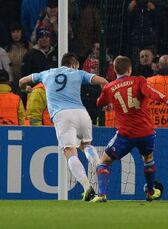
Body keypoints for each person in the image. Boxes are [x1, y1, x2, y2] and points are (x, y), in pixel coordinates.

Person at [19, 53, 107, 201]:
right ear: (74, 65)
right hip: (82, 113)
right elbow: (103, 81)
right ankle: (101, 171)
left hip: (63, 115)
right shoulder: (79, 73)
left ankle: (87, 188)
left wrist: (25, 88)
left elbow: (22, 80)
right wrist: (105, 99)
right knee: (86, 146)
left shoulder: (46, 73)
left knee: (70, 151)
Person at [92, 56, 168, 202]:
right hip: (146, 132)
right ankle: (150, 192)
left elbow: (99, 103)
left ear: (115, 70)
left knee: (103, 162)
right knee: (148, 160)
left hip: (125, 134)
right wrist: (166, 99)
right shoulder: (139, 80)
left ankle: (101, 194)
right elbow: (150, 92)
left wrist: (106, 93)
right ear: (130, 69)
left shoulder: (109, 87)